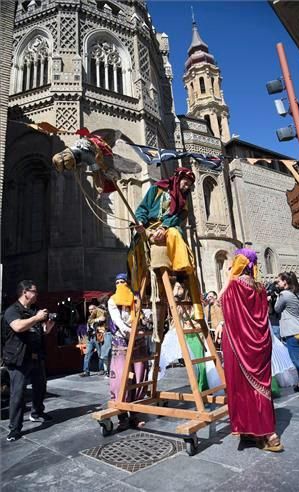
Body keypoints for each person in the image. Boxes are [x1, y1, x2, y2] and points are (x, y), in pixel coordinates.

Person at [220, 249, 283, 452]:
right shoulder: (260, 287)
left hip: (239, 345)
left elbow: (225, 308)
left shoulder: (234, 287)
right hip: (261, 343)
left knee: (242, 387)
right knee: (259, 387)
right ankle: (254, 431)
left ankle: (266, 433)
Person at [128, 167, 203, 322]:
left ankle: (181, 279)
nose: (187, 186)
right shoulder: (156, 189)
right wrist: (140, 222)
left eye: (190, 185)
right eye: (186, 182)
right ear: (178, 178)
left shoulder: (183, 201)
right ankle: (138, 293)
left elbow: (178, 217)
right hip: (149, 226)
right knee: (132, 253)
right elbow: (142, 209)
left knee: (175, 235)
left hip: (169, 228)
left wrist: (164, 227)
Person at [2, 280, 55, 441]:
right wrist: (37, 317)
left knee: (41, 387)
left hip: (36, 356)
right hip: (18, 358)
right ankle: (15, 428)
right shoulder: (12, 310)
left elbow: (41, 331)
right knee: (18, 394)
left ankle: (37, 412)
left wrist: (48, 325)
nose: (37, 294)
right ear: (25, 292)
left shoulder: (33, 311)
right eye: (34, 291)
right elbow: (18, 327)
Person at [107, 273, 148, 430]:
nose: (120, 284)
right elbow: (118, 321)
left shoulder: (135, 299)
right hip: (121, 342)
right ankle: (122, 415)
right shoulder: (112, 301)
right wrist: (131, 331)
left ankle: (135, 414)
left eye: (122, 281)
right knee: (121, 378)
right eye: (117, 282)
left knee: (139, 375)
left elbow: (142, 316)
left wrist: (143, 326)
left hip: (137, 341)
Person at [80, 304, 106, 377]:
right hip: (90, 338)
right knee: (87, 354)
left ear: (96, 309)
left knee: (100, 354)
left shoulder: (100, 316)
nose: (91, 311)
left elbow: (103, 321)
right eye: (89, 309)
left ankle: (101, 370)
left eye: (92, 309)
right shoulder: (90, 318)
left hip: (97, 337)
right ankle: (86, 371)